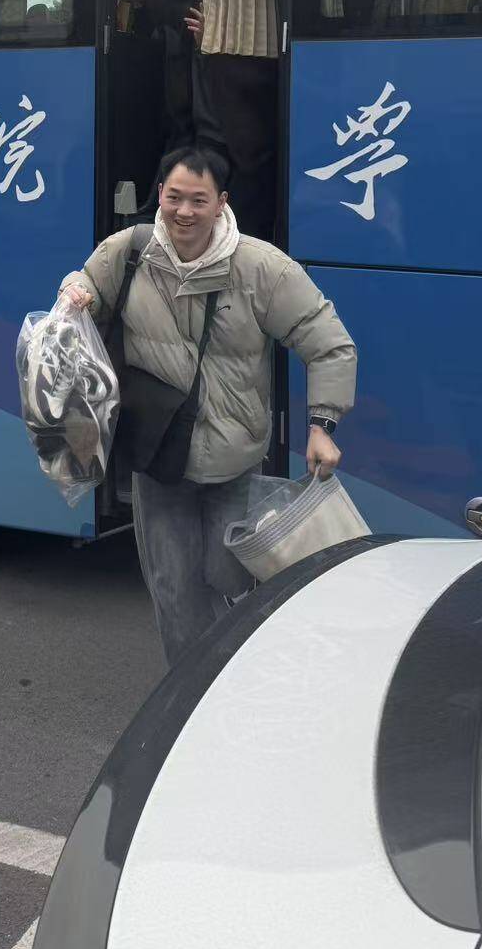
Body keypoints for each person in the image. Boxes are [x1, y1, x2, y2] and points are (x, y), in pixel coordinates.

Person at [60, 147, 357, 666]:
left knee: (230, 582)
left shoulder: (261, 267)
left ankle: (238, 674)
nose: (184, 211)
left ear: (221, 203)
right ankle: (193, 690)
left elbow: (328, 342)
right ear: (160, 195)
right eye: (174, 197)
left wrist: (322, 424)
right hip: (157, 454)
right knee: (174, 590)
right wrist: (75, 292)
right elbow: (85, 283)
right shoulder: (129, 251)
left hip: (232, 459)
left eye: (198, 200)